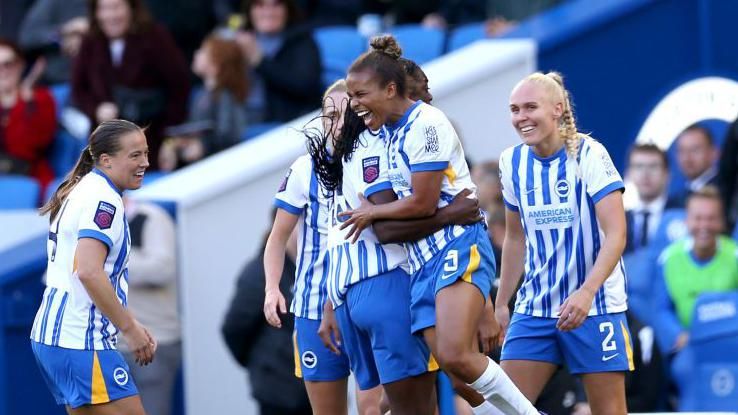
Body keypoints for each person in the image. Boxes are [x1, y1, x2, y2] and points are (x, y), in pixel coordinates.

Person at [339, 35, 538, 415]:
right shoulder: (380, 139)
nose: (354, 104)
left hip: (457, 246)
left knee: (454, 354)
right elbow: (397, 223)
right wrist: (383, 215)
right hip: (421, 263)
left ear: (390, 89)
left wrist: (374, 212)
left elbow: (423, 202)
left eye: (360, 93)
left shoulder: (426, 125)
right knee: (456, 367)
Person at [495, 72, 632, 415]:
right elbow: (515, 238)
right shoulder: (511, 162)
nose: (521, 117)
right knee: (502, 409)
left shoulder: (590, 155)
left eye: (530, 107)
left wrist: (586, 292)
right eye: (514, 109)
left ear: (557, 109)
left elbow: (617, 234)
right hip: (535, 307)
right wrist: (500, 304)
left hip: (595, 306)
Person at [263, 80, 382, 415]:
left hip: (365, 301)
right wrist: (272, 288)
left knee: (373, 408)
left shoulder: (378, 159)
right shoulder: (305, 168)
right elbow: (276, 238)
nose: (338, 123)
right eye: (329, 116)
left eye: (346, 115)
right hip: (313, 306)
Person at [30, 119, 155, 414]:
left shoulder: (85, 188)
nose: (145, 163)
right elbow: (87, 271)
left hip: (55, 337)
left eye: (146, 154)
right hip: (80, 341)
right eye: (135, 155)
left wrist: (131, 321)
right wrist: (129, 330)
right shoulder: (104, 200)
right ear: (106, 160)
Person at [71, 0, 190, 170]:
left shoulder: (154, 36)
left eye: (116, 7)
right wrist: (96, 109)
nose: (111, 15)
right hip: (107, 146)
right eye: (104, 9)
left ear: (131, 8)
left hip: (151, 140)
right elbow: (79, 89)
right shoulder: (91, 41)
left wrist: (169, 140)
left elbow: (179, 87)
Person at [222, 211, 312, 415]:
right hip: (279, 391)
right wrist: (263, 362)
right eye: (302, 225)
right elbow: (234, 329)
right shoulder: (259, 274)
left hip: (314, 384)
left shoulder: (311, 270)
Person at [652, 186, 738, 400]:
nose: (704, 226)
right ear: (686, 221)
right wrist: (679, 335)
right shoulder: (668, 259)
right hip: (689, 346)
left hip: (731, 344)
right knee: (685, 369)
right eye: (698, 218)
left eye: (711, 218)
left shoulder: (735, 255)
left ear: (721, 222)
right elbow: (661, 310)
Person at [119, 198, 181, 415]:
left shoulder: (150, 217)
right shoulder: (86, 224)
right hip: (110, 346)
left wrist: (108, 263)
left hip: (155, 341)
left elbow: (162, 269)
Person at [159, 34, 248, 171]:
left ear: (217, 63)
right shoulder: (199, 94)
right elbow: (190, 129)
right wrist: (172, 144)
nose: (196, 53)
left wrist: (204, 145)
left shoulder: (225, 95)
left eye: (203, 51)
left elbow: (228, 135)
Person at [237, 0, 322, 124]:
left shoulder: (302, 41)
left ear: (288, 9)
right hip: (238, 118)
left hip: (283, 125)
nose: (268, 12)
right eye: (260, 5)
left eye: (276, 5)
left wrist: (260, 62)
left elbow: (306, 85)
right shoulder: (239, 40)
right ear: (249, 10)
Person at [0, 39, 57, 189]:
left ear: (20, 65)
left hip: (31, 178)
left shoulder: (41, 98)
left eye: (8, 64)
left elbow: (27, 146)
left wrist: (24, 103)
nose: (3, 70)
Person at [624, 143, 679, 254]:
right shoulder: (619, 219)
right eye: (639, 167)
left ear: (667, 174)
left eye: (653, 167)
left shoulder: (680, 214)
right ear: (629, 174)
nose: (645, 174)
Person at [18, 0, 88, 85]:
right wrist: (62, 35)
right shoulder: (52, 2)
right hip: (58, 83)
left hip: (98, 81)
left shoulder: (102, 3)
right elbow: (29, 37)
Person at [671, 124, 718, 206]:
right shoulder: (674, 201)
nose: (687, 158)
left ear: (713, 153)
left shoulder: (728, 192)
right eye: (682, 151)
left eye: (695, 150)